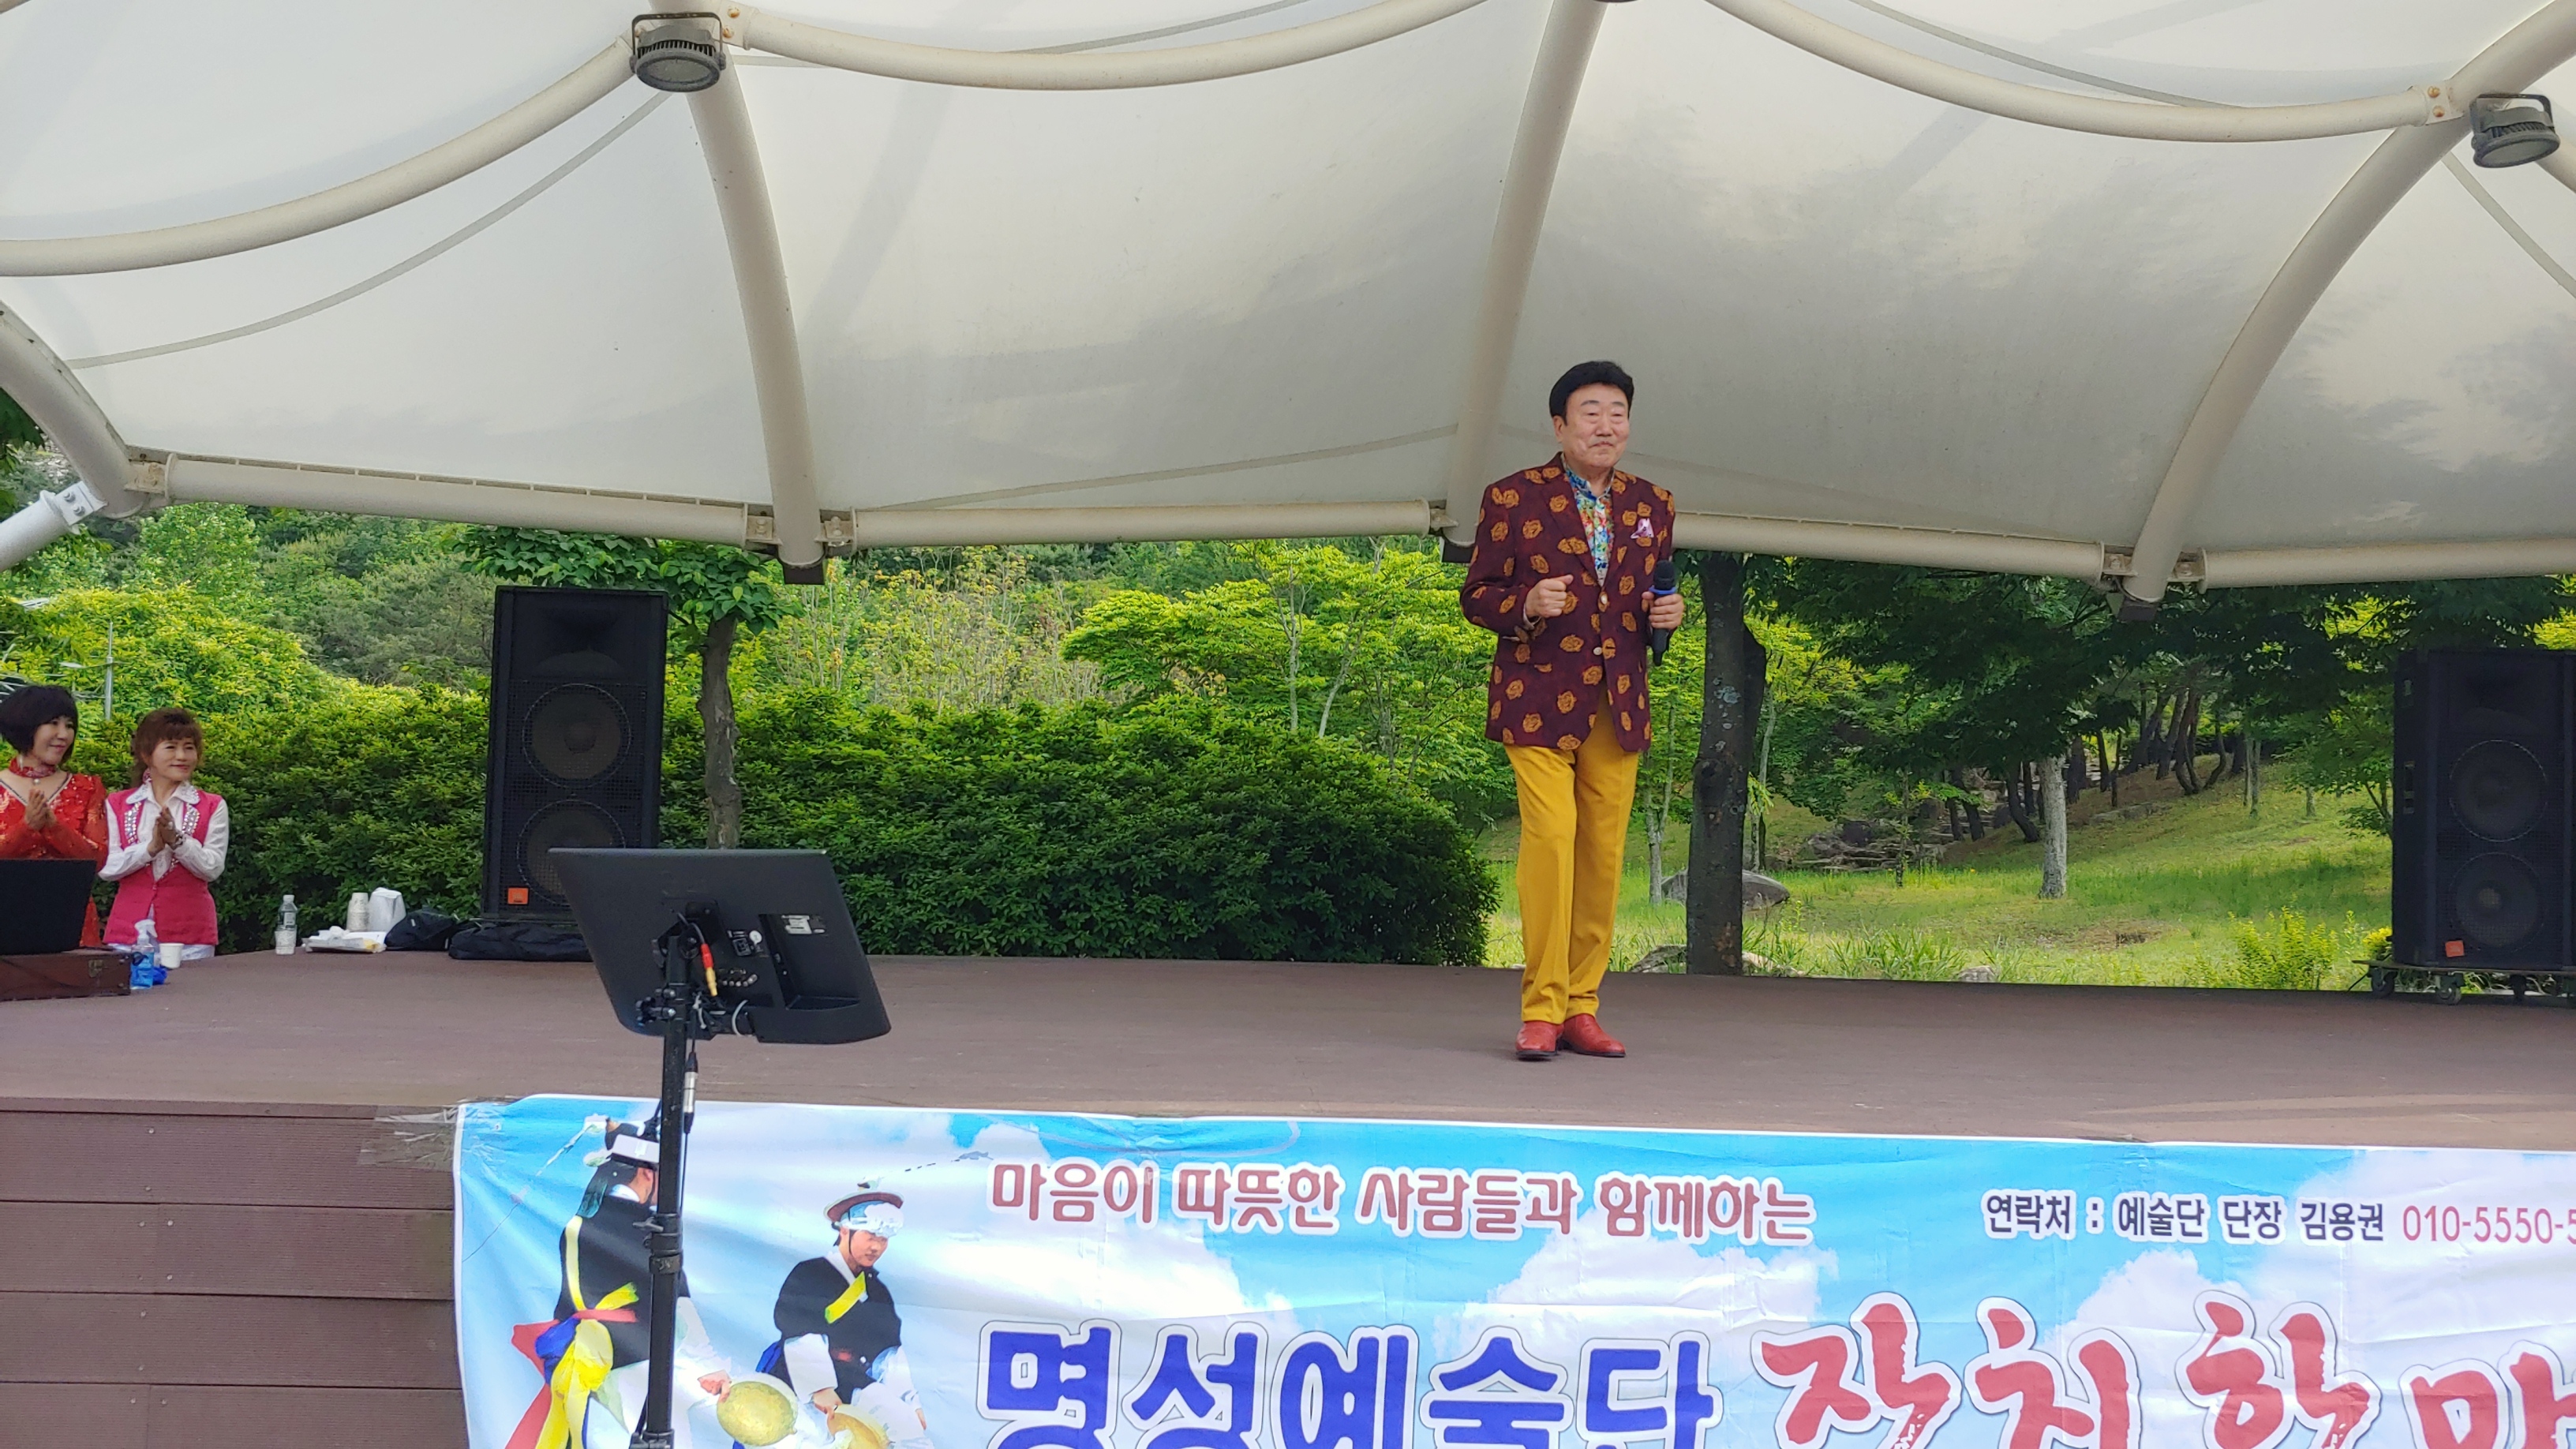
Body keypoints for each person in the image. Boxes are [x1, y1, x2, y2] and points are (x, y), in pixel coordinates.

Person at [1459, 361, 1685, 1063]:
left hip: (1619, 701)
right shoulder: (1512, 497)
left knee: (1602, 856)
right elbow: (1477, 595)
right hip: (1535, 698)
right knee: (1552, 840)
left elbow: (1649, 600)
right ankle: (1541, 1008)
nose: (1605, 426)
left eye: (1618, 412)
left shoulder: (1654, 504)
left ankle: (1581, 1006)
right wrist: (1525, 604)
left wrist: (1667, 617)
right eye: (1591, 412)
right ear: (1559, 425)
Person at [507, 1113, 732, 1449]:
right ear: (647, 1172)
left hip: (588, 1362)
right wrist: (708, 1363)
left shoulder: (579, 1223)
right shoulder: (647, 1228)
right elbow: (675, 1302)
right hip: (633, 1361)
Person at [758, 1188, 925, 1449]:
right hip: (798, 1383)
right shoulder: (810, 1274)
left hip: (854, 1381)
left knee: (909, 1435)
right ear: (845, 1231)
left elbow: (889, 1354)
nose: (876, 1247)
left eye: (883, 1239)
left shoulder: (877, 1291)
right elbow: (800, 1332)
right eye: (870, 1236)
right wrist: (820, 1387)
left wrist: (909, 1403)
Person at [100, 706, 229, 960]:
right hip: (127, 933)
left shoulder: (212, 805)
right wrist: (151, 849)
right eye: (171, 747)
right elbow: (107, 867)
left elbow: (212, 868)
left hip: (190, 935)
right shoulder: (118, 804)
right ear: (146, 754)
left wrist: (178, 842)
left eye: (189, 747)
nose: (182, 756)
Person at [0, 683, 110, 945]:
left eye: (69, 725)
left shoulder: (87, 788)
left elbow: (98, 860)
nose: (64, 734)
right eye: (53, 723)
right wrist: (26, 828)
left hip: (72, 925)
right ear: (24, 726)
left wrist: (54, 828)